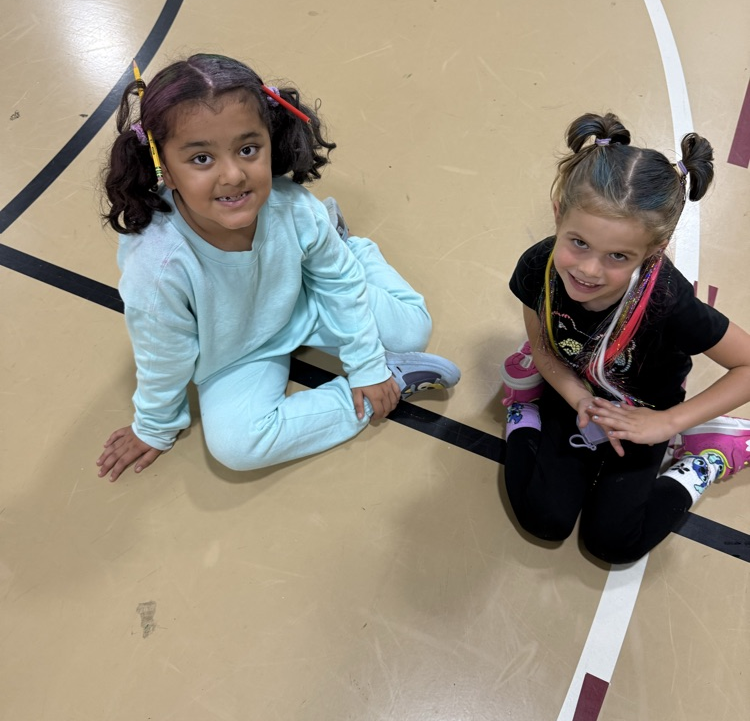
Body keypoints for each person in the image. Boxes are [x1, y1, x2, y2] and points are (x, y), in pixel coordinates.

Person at [96, 53, 460, 481]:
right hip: (234, 354)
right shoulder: (155, 267)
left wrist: (365, 364)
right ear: (165, 170)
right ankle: (398, 376)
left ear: (270, 140)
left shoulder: (292, 208)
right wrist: (155, 427)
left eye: (248, 149)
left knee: (412, 328)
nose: (232, 175)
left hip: (300, 301)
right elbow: (163, 357)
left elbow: (337, 283)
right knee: (237, 446)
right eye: (201, 159)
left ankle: (346, 244)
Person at [501, 112, 750, 564]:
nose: (589, 270)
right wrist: (574, 395)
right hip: (573, 390)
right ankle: (524, 409)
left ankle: (708, 457)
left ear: (656, 247)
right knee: (544, 519)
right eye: (577, 242)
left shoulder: (669, 301)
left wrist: (668, 424)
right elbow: (540, 345)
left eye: (618, 256)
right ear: (559, 214)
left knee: (613, 542)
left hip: (644, 414)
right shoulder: (538, 265)